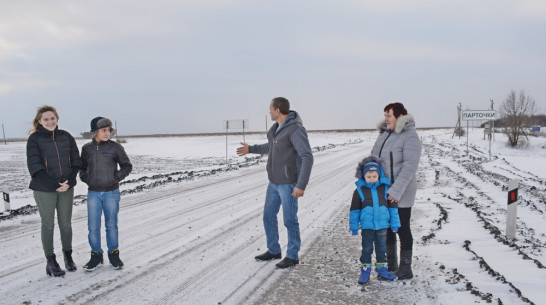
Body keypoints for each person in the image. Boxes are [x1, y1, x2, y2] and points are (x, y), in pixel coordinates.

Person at [236, 97, 313, 269]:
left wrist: (301, 185)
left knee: (289, 220)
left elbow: (307, 157)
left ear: (277, 110)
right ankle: (274, 250)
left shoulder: (295, 130)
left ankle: (292, 255)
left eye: (270, 108)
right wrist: (251, 149)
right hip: (274, 183)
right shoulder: (276, 129)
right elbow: (270, 147)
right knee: (268, 216)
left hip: (289, 184)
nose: (269, 111)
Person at [26, 105, 82, 277]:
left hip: (66, 186)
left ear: (57, 118)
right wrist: (53, 184)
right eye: (46, 119)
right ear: (39, 121)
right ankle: (51, 261)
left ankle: (68, 256)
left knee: (65, 223)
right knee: (48, 224)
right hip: (44, 189)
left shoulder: (66, 137)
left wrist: (71, 180)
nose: (50, 121)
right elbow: (34, 166)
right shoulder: (34, 139)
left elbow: (76, 161)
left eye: (52, 118)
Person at [370, 102, 422, 280]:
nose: (385, 119)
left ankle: (405, 269)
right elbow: (374, 159)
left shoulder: (410, 136)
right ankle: (390, 264)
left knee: (401, 228)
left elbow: (409, 167)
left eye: (389, 116)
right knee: (386, 228)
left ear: (399, 117)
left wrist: (396, 190)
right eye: (385, 115)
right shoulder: (385, 134)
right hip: (383, 189)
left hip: (402, 190)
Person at [80, 117, 132, 271]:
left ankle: (114, 255)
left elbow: (127, 166)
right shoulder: (86, 149)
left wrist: (115, 178)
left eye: (108, 130)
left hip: (111, 193)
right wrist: (86, 178)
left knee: (111, 225)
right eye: (103, 130)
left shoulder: (115, 147)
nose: (107, 133)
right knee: (93, 227)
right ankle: (96, 256)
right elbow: (82, 168)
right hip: (93, 194)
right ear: (95, 132)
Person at [350, 156, 400, 285]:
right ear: (364, 177)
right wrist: (354, 227)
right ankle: (365, 271)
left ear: (379, 175)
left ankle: (382, 270)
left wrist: (395, 224)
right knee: (366, 249)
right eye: (369, 177)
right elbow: (354, 210)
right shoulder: (359, 191)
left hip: (382, 226)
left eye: (374, 176)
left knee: (381, 248)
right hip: (367, 226)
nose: (372, 179)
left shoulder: (385, 189)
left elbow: (393, 208)